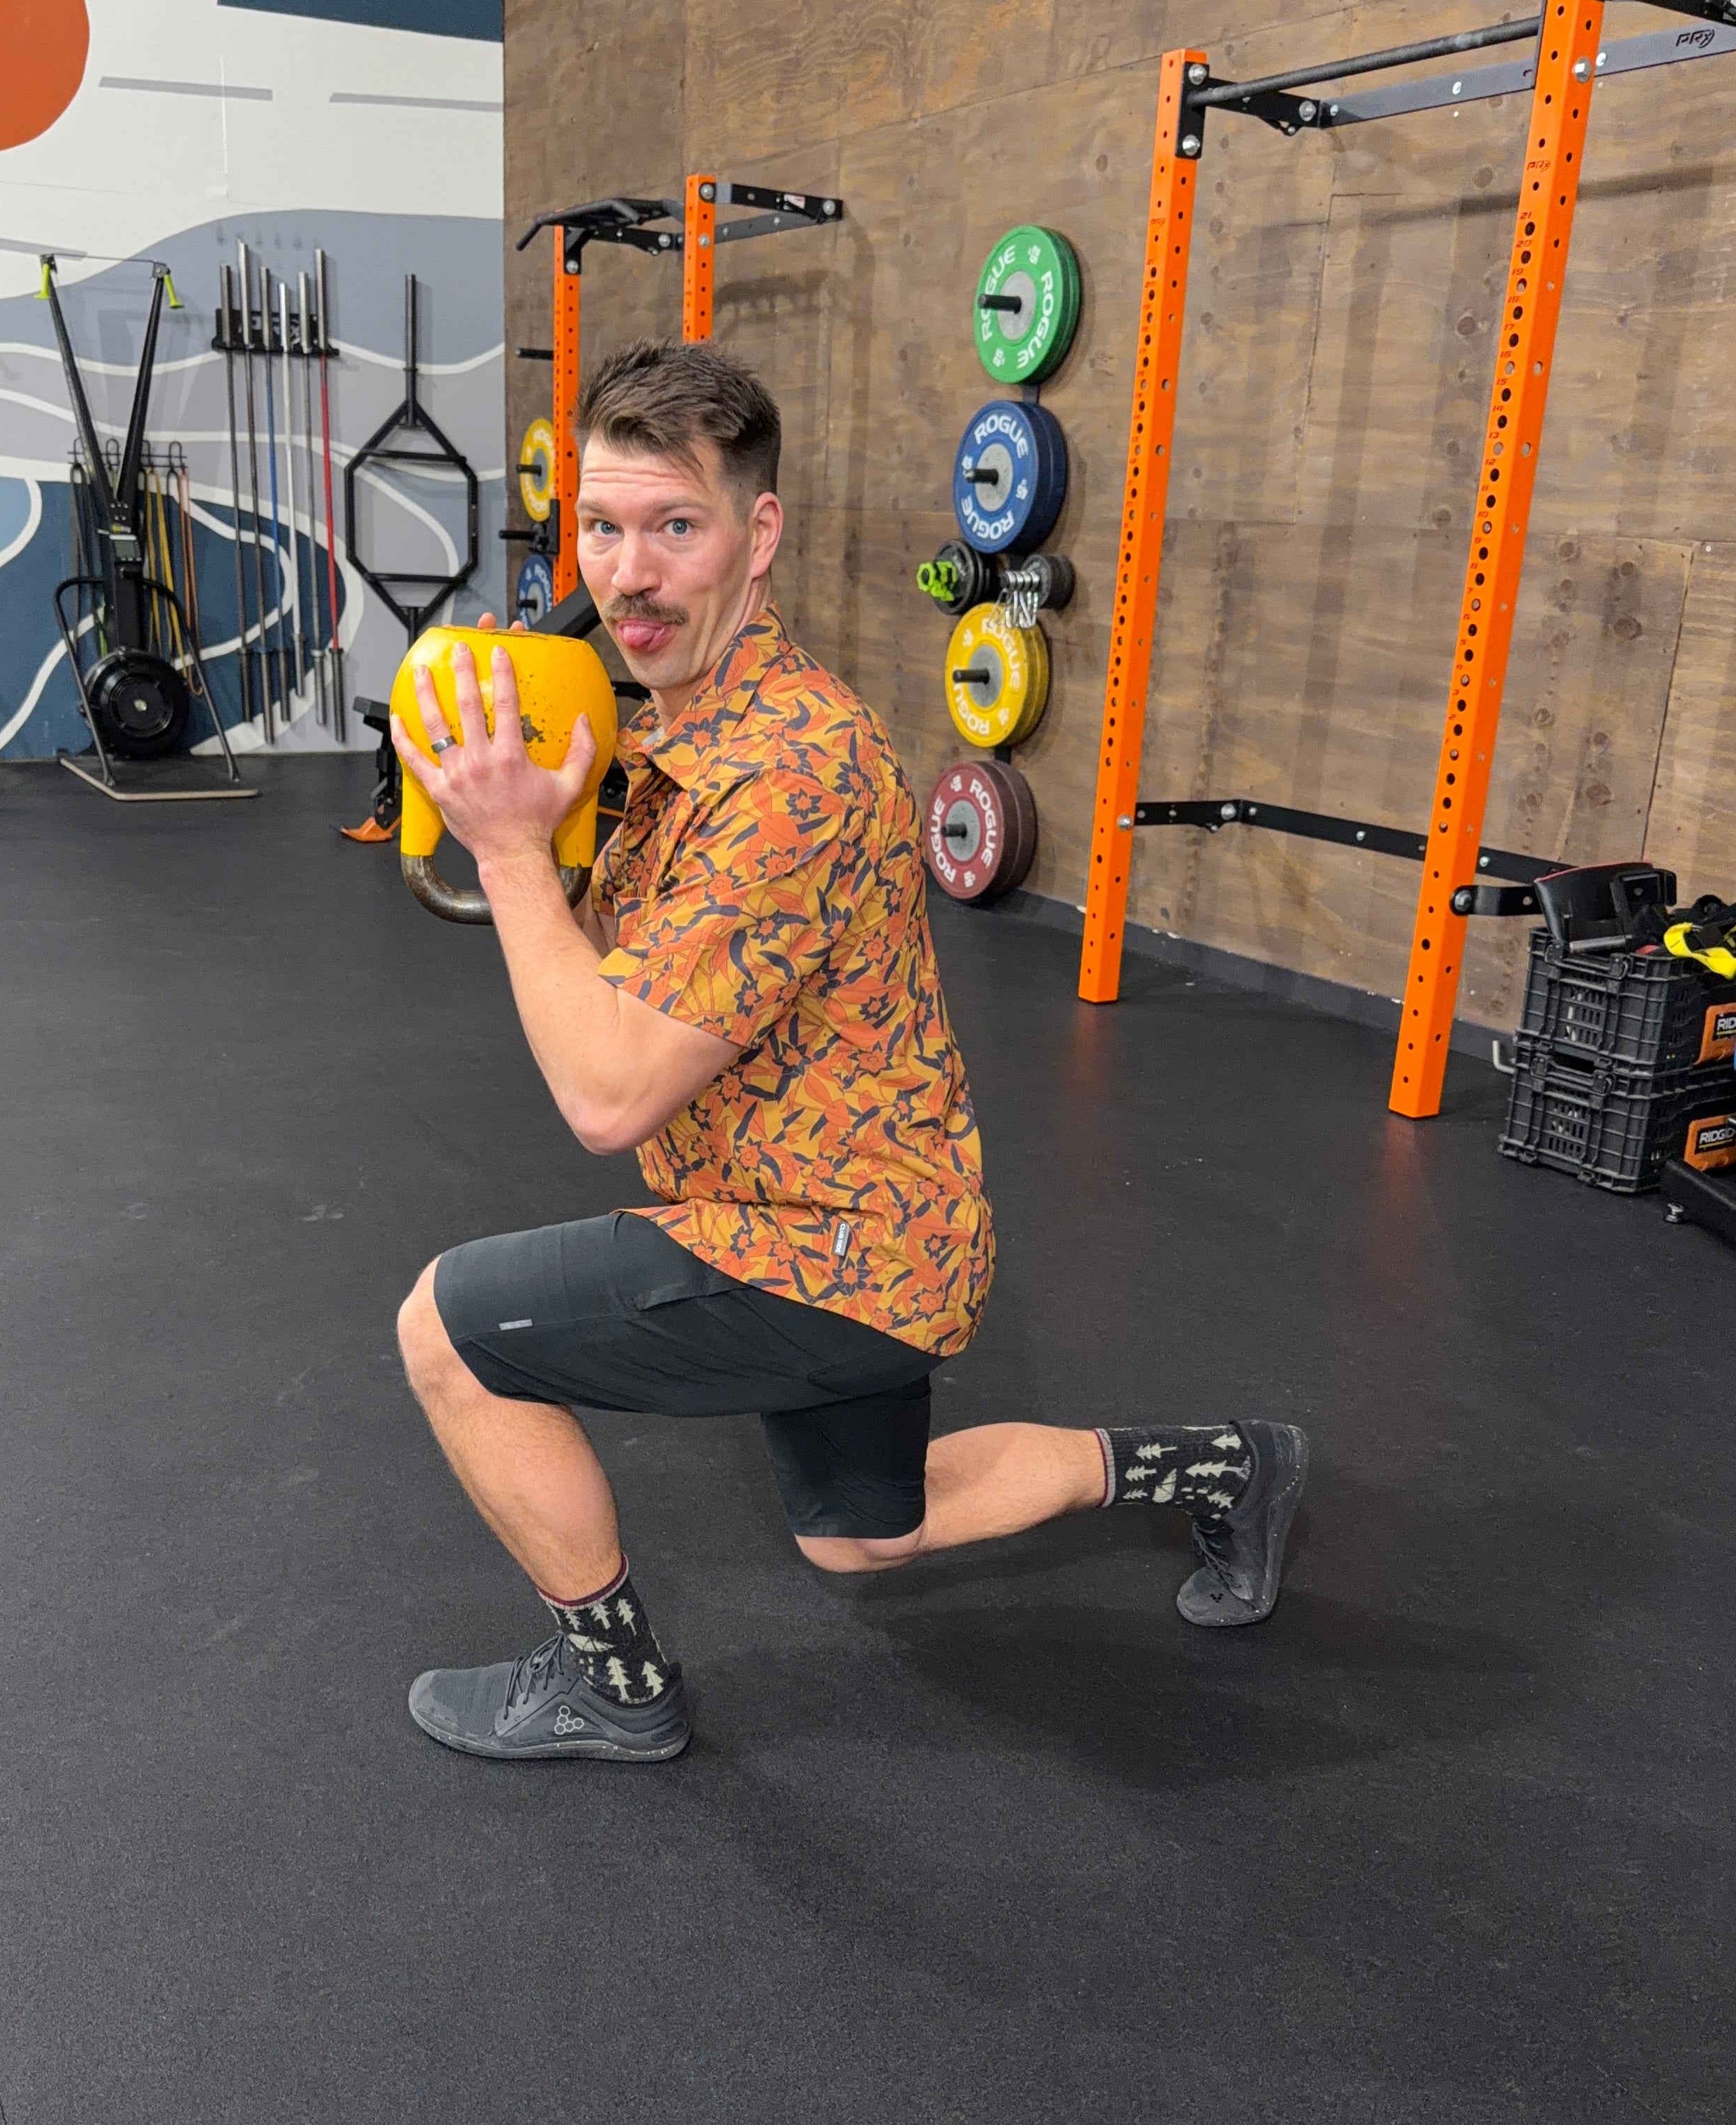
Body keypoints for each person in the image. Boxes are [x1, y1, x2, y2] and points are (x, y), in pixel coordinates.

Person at [388, 340, 1308, 1764]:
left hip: (818, 1250)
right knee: (864, 1543)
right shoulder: (674, 727)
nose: (629, 574)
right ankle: (1232, 1465)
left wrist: (510, 855)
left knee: (447, 1334)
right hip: (886, 1228)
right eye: (605, 526)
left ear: (760, 536)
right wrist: (544, 827)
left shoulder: (795, 772)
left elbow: (605, 1090)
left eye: (676, 528)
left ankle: (613, 1690)